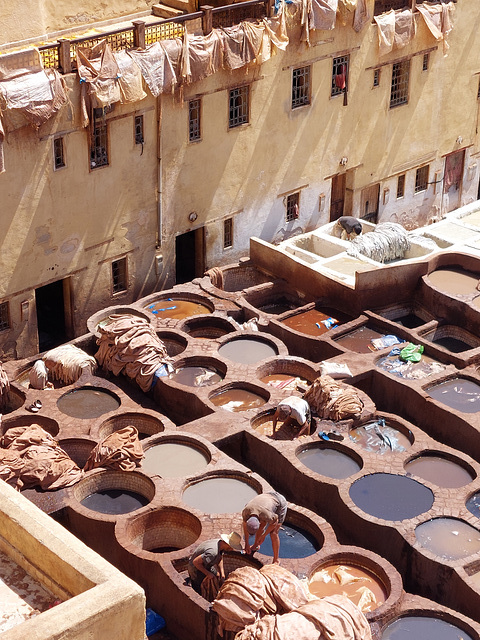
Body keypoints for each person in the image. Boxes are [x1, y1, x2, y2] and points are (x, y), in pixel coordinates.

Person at [242, 491, 288, 564]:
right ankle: (255, 546)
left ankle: (276, 559)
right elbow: (245, 526)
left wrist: (263, 536)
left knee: (273, 533)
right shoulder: (246, 512)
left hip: (279, 501)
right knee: (261, 526)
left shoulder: (267, 515)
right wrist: (246, 544)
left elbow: (275, 522)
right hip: (265, 499)